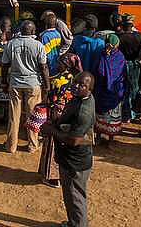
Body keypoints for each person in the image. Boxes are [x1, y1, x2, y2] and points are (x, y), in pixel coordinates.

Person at [40, 72, 96, 227]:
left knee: (75, 197)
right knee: (72, 196)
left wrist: (51, 130)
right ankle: (74, 223)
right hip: (72, 158)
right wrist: (59, 120)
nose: (76, 86)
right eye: (75, 82)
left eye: (82, 85)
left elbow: (73, 140)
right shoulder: (81, 98)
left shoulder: (83, 111)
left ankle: (78, 224)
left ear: (89, 88)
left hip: (75, 162)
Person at [1, 19, 50, 153]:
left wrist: (4, 82)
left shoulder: (10, 44)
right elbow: (43, 67)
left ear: (21, 31)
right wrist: (47, 85)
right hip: (33, 83)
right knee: (33, 116)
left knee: (13, 116)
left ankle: (11, 146)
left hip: (15, 82)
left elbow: (5, 65)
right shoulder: (38, 45)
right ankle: (33, 145)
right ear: (33, 31)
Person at [39, 53, 83, 187]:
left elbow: (49, 98)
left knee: (52, 144)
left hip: (56, 115)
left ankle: (51, 176)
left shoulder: (57, 81)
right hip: (69, 117)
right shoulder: (75, 80)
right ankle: (64, 175)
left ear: (66, 65)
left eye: (60, 62)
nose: (57, 64)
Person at [91, 33, 126, 142]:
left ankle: (98, 138)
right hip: (115, 92)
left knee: (100, 115)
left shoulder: (100, 55)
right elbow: (123, 74)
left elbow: (95, 71)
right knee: (113, 118)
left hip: (101, 91)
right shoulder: (120, 56)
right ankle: (111, 138)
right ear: (117, 44)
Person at [118, 18, 141, 122]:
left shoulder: (120, 37)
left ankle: (127, 114)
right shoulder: (139, 36)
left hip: (124, 64)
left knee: (125, 89)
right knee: (135, 88)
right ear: (132, 26)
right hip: (135, 64)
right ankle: (136, 112)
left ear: (123, 26)